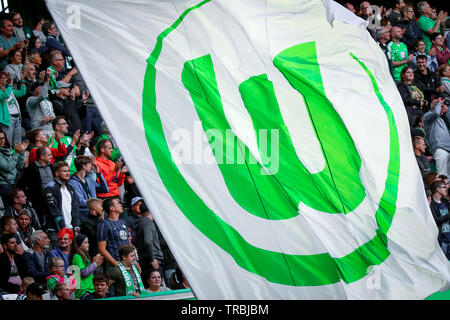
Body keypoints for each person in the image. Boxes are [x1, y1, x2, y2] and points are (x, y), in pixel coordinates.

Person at [17, 146, 55, 225]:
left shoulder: (51, 166)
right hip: (38, 204)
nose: (51, 156)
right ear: (42, 156)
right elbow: (21, 185)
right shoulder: (31, 168)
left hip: (52, 201)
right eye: (49, 155)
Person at [44, 161, 80, 238]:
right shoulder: (50, 188)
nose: (67, 173)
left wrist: (76, 225)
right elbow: (54, 211)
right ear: (57, 173)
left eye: (68, 171)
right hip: (56, 231)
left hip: (70, 229)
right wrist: (62, 229)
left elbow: (75, 208)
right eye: (64, 171)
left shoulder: (70, 188)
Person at [68, 156, 108, 222]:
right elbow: (80, 202)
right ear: (84, 166)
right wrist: (96, 205)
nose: (91, 166)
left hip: (95, 211)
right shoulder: (72, 182)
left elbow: (105, 189)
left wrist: (98, 174)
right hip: (84, 214)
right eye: (89, 164)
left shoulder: (88, 179)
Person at [97, 197, 130, 270]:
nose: (121, 205)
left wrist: (135, 261)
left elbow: (129, 241)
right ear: (112, 208)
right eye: (118, 204)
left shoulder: (123, 222)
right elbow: (101, 248)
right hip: (115, 264)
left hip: (129, 262)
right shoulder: (104, 224)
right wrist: (116, 264)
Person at [135, 202, 163, 280]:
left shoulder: (140, 222)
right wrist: (152, 259)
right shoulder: (148, 223)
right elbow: (148, 241)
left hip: (144, 260)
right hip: (152, 261)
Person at [70, 234, 104, 299]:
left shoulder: (84, 256)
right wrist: (94, 264)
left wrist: (97, 265)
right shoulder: (77, 257)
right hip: (84, 291)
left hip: (90, 289)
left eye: (88, 242)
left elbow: (90, 273)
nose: (88, 244)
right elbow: (83, 273)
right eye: (85, 243)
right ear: (79, 245)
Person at [423, 98, 450, 177]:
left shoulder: (441, 120)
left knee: (448, 177)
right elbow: (435, 114)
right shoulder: (427, 116)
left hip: (447, 149)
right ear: (435, 106)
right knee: (442, 175)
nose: (444, 108)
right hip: (440, 149)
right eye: (441, 106)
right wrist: (438, 104)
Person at [0, 130, 27, 205]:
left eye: (3, 138)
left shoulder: (9, 150)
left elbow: (20, 166)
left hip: (15, 183)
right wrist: (17, 153)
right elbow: (8, 167)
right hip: (4, 185)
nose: (1, 141)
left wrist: (21, 151)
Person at [26, 69, 55, 136]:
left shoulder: (48, 102)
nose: (46, 90)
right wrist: (47, 79)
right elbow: (42, 96)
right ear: (37, 89)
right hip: (38, 132)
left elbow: (53, 115)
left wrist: (50, 117)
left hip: (50, 131)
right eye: (43, 88)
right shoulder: (31, 100)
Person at [0, 70, 26, 146]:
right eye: (4, 78)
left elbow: (22, 92)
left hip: (17, 118)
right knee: (8, 142)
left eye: (6, 78)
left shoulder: (9, 89)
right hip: (7, 120)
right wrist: (10, 84)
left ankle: (16, 157)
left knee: (18, 142)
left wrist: (22, 80)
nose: (6, 79)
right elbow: (4, 96)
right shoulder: (8, 89)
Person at [429, 180, 450, 259]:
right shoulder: (432, 203)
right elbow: (436, 220)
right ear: (438, 189)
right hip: (441, 240)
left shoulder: (446, 202)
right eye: (444, 187)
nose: (446, 188)